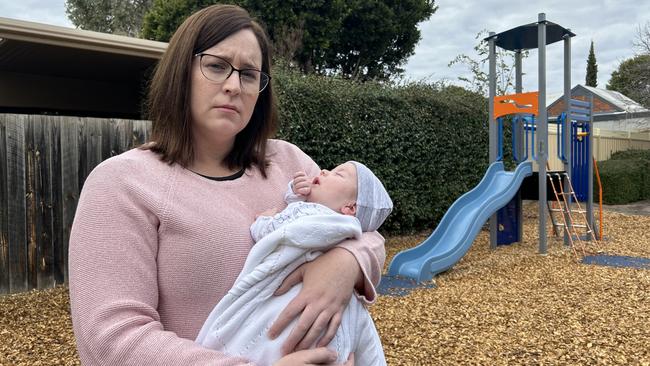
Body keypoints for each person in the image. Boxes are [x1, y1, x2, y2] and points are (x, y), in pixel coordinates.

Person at [68, 4, 386, 366]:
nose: (234, 85)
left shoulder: (289, 163)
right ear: (181, 72)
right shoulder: (122, 183)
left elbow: (365, 224)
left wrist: (347, 262)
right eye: (217, 66)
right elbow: (111, 338)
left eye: (249, 74)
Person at [196, 162, 392, 365]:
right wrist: (296, 194)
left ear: (350, 208)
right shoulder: (329, 219)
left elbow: (284, 232)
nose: (323, 171)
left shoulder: (318, 215)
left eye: (338, 174)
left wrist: (266, 220)